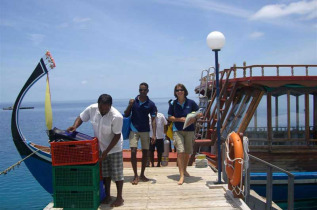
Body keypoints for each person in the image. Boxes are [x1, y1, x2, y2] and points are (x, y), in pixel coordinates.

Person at [67, 94, 124, 207]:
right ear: (98, 104)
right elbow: (81, 117)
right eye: (101, 107)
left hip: (114, 147)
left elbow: (117, 136)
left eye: (106, 108)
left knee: (117, 173)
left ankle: (119, 197)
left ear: (110, 106)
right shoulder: (92, 109)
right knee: (106, 173)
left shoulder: (117, 116)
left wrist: (106, 152)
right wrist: (75, 126)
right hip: (101, 146)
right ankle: (108, 196)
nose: (103, 110)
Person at [124, 82, 157, 185]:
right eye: (140, 90)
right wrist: (129, 105)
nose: (142, 92)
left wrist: (154, 134)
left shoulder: (151, 104)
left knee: (145, 153)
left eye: (144, 90)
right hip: (133, 129)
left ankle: (142, 174)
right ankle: (135, 175)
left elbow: (153, 120)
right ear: (139, 90)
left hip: (145, 130)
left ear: (147, 91)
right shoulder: (133, 102)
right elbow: (126, 114)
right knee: (133, 151)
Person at [168, 83, 200, 185]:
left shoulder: (191, 103)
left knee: (187, 152)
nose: (179, 92)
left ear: (184, 91)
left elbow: (199, 113)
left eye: (181, 90)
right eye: (177, 90)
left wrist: (194, 118)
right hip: (177, 130)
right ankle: (181, 175)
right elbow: (169, 117)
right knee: (180, 152)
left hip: (189, 130)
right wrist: (179, 119)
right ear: (175, 93)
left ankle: (184, 169)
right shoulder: (173, 103)